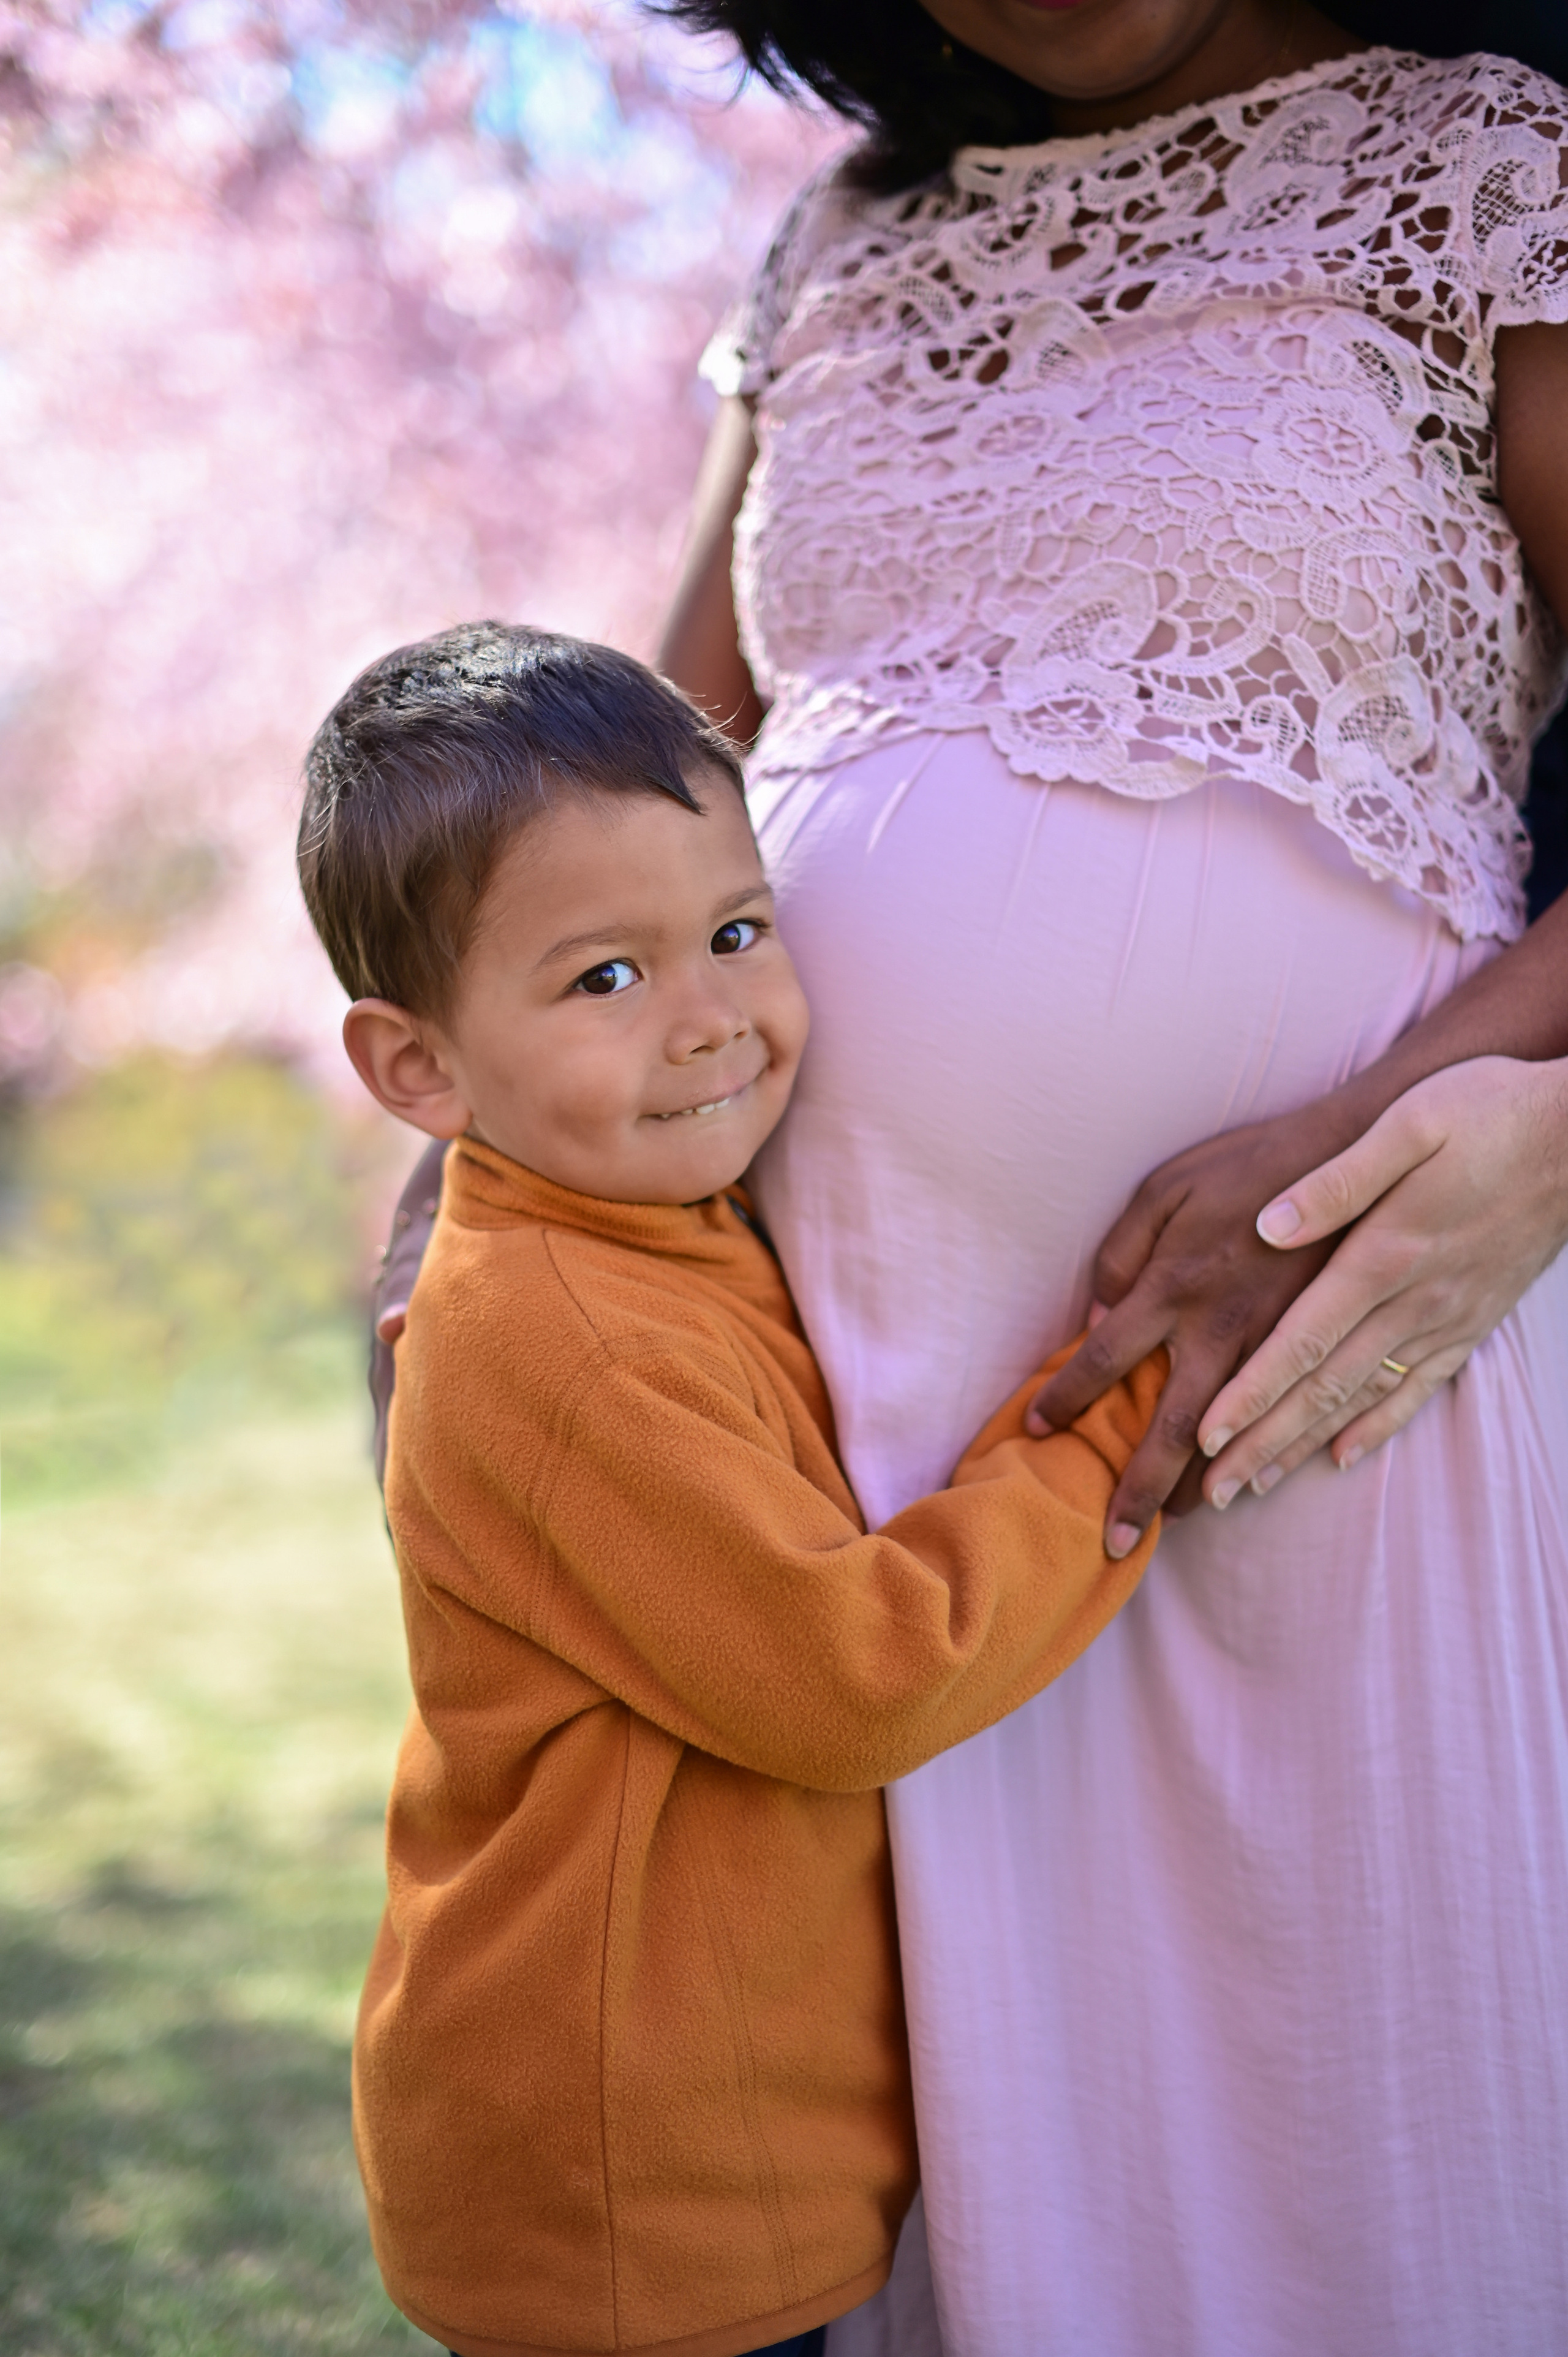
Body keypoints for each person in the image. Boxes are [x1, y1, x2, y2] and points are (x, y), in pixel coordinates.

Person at [648, 0, 1568, 2349]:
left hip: (1316, 1360)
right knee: (931, 2181)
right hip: (836, 1439)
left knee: (1344, 2145)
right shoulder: (838, 248)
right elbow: (625, 771)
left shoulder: (1472, 161)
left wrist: (1374, 1141)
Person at [296, 621, 1166, 2357]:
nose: (704, 1022)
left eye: (735, 935)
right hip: (629, 2178)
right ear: (420, 1072)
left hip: (688, 2138)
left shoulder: (646, 1237)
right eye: (601, 981)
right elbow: (857, 1672)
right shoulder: (559, 1337)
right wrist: (1121, 1429)